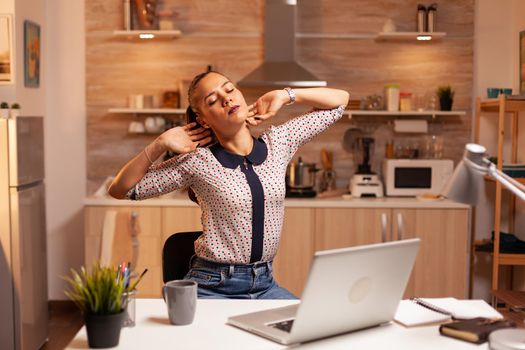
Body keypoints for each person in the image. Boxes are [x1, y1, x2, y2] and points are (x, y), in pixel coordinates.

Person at [108, 70, 349, 299]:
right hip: (212, 286)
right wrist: (159, 144)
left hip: (265, 286)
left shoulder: (279, 142)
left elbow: (339, 102)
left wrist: (285, 95)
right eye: (213, 100)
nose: (226, 99)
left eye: (230, 89)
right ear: (203, 120)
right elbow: (122, 189)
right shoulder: (197, 161)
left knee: (303, 336)